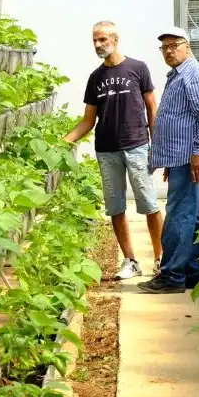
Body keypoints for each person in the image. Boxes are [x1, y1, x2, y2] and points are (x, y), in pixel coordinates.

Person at [64, 21, 163, 280]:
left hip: (138, 146)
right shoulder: (95, 78)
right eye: (94, 41)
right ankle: (131, 261)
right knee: (115, 207)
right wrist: (63, 143)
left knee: (149, 203)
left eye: (103, 39)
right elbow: (88, 120)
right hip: (107, 151)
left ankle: (161, 257)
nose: (98, 45)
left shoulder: (138, 68)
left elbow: (152, 108)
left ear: (115, 39)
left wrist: (158, 145)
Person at [137, 26, 199, 294]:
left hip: (191, 159)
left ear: (188, 46)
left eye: (175, 45)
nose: (169, 51)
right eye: (165, 47)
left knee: (178, 216)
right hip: (183, 158)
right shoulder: (178, 75)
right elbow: (179, 120)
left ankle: (171, 276)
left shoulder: (194, 74)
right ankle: (194, 274)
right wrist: (171, 161)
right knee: (192, 216)